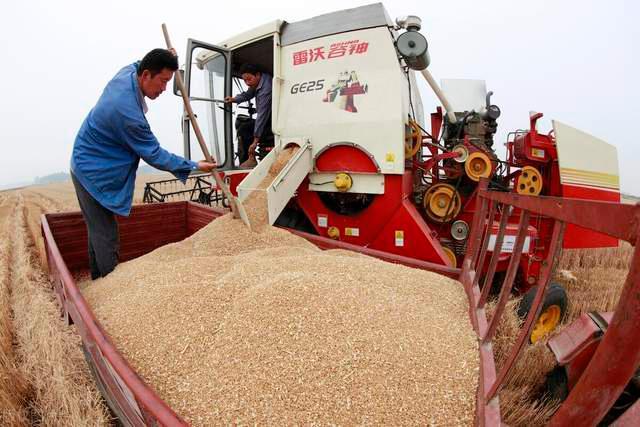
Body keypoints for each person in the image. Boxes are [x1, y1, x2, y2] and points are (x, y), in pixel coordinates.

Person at [70, 48, 216, 280]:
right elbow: (156, 155)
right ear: (146, 75)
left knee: (98, 229)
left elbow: (141, 61)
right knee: (106, 234)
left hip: (89, 159)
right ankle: (111, 287)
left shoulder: (129, 72)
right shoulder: (128, 114)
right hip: (92, 170)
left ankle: (97, 280)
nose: (165, 89)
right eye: (164, 81)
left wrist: (167, 57)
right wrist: (195, 165)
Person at [224, 64, 273, 162]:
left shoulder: (266, 88)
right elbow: (248, 94)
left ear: (257, 75)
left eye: (249, 79)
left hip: (271, 122)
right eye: (245, 81)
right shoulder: (259, 81)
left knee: (244, 129)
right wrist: (234, 99)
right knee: (243, 123)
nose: (247, 83)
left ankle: (247, 160)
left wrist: (255, 141)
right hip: (267, 118)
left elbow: (262, 115)